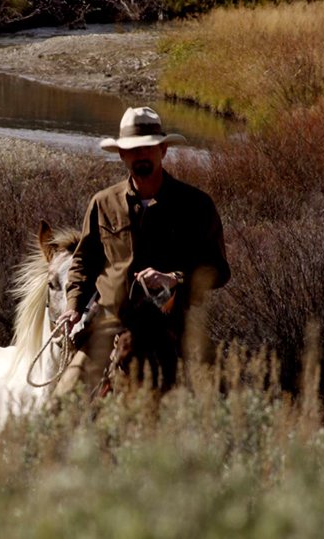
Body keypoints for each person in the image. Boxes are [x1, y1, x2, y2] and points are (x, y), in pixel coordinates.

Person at [54, 106, 230, 398]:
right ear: (122, 155)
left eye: (148, 149)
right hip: (107, 328)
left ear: (163, 150)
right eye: (133, 150)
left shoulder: (196, 205)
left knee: (225, 403)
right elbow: (84, 262)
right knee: (60, 403)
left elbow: (219, 269)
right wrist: (73, 306)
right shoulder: (103, 203)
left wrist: (175, 278)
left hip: (174, 329)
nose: (141, 156)